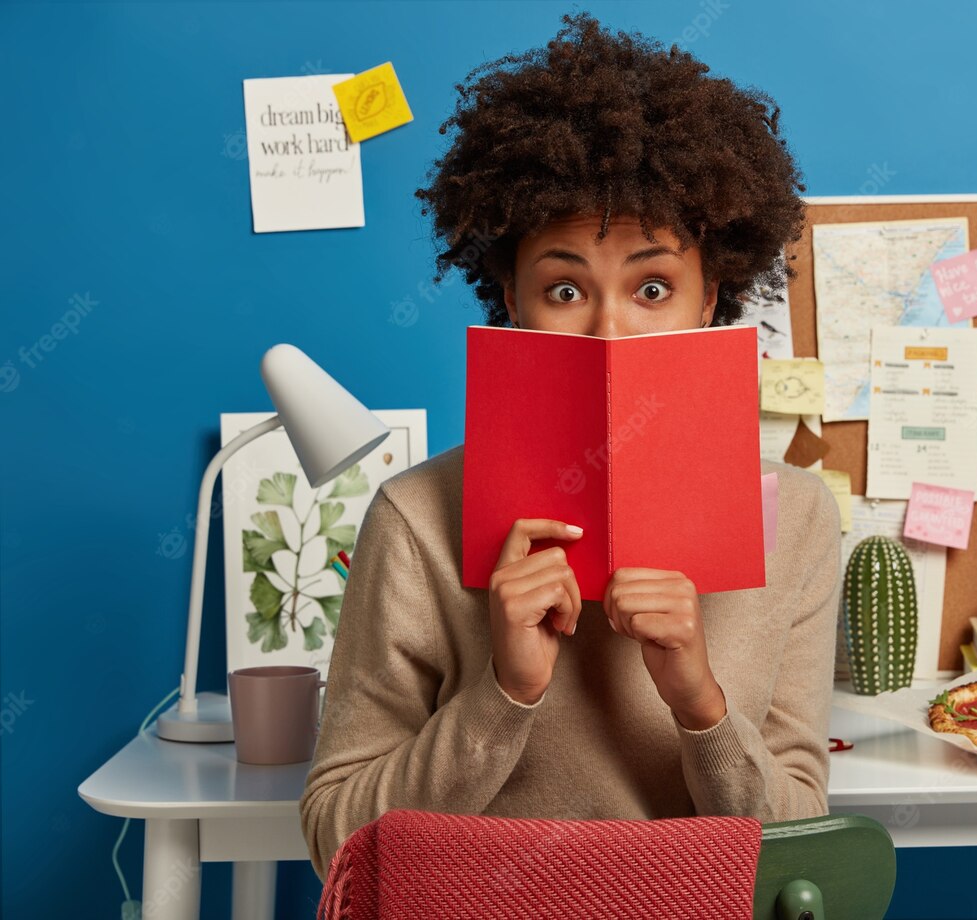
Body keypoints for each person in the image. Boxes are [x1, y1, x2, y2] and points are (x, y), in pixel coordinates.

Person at [299, 11, 842, 882]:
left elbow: (795, 849)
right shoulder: (415, 516)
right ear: (510, 298)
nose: (610, 331)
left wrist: (699, 701)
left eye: (654, 286)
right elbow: (336, 842)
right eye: (563, 287)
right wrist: (501, 696)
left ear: (712, 299)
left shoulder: (801, 517)